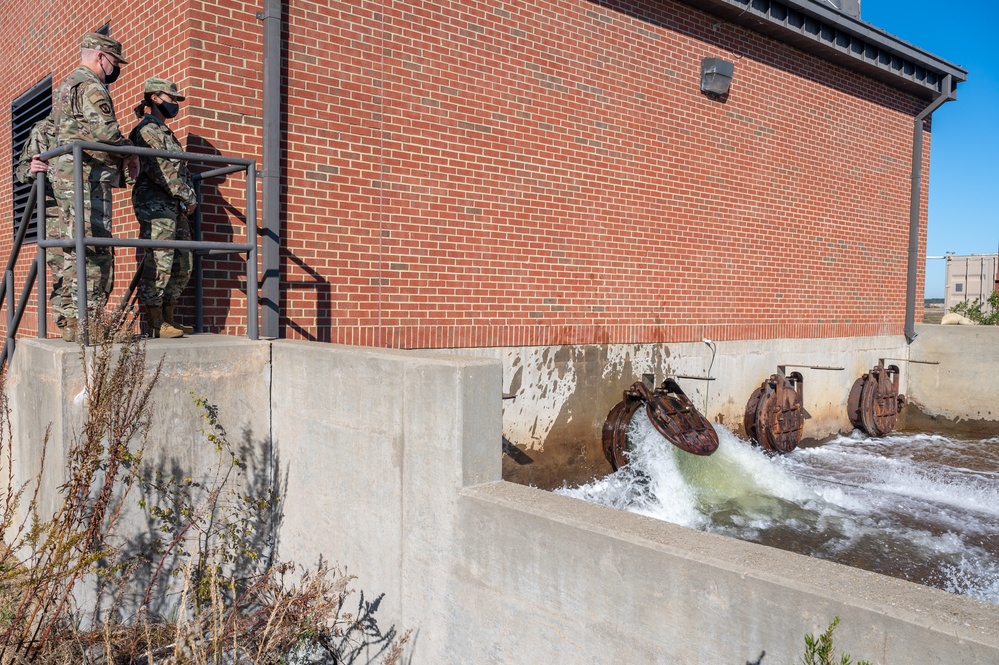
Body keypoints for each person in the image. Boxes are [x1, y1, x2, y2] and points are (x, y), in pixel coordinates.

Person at [45, 32, 137, 342]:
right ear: (101, 56)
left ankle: (72, 320)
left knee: (72, 247)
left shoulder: (65, 85)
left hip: (67, 175)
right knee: (95, 248)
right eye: (114, 62)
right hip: (87, 176)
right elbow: (106, 133)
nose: (115, 68)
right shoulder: (91, 85)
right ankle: (88, 323)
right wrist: (130, 152)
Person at [129, 78, 197, 339]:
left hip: (173, 204)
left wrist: (185, 196)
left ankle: (169, 317)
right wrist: (187, 196)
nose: (175, 104)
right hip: (155, 203)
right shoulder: (147, 130)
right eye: (171, 99)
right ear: (155, 98)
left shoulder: (166, 132)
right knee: (161, 259)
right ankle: (156, 322)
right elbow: (162, 168)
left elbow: (181, 170)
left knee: (183, 262)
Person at [15, 115, 65, 330]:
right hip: (57, 212)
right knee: (64, 269)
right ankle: (68, 324)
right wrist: (31, 169)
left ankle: (91, 322)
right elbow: (22, 169)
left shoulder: (91, 124)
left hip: (91, 208)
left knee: (96, 266)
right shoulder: (45, 128)